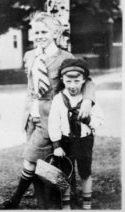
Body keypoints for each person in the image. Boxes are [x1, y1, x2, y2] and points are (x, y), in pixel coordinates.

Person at [0, 12, 95, 210]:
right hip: (31, 116)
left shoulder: (65, 57)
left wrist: (88, 101)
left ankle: (15, 201)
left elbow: (87, 81)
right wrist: (28, 112)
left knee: (30, 159)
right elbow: (31, 86)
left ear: (55, 33)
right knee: (38, 162)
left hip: (50, 119)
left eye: (44, 31)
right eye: (36, 31)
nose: (39, 35)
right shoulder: (30, 55)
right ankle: (46, 202)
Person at [48, 58, 104, 210]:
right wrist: (57, 145)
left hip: (84, 141)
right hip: (66, 141)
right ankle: (66, 204)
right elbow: (54, 123)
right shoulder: (59, 99)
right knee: (65, 172)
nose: (72, 85)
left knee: (85, 172)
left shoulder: (88, 100)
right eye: (68, 81)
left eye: (77, 81)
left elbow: (99, 119)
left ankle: (87, 202)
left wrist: (88, 119)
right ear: (62, 80)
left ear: (84, 80)